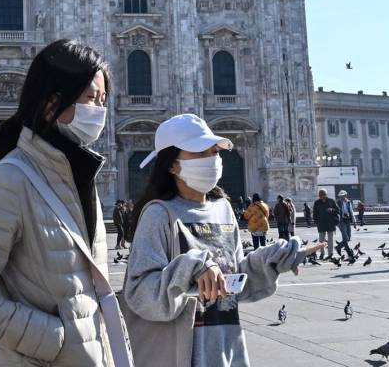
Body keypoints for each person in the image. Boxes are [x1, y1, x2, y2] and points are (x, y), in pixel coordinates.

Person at [0, 39, 125, 366]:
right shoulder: (10, 180)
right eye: (89, 98)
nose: (99, 111)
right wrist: (54, 340)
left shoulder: (80, 177)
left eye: (103, 100)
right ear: (50, 104)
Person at [122, 114, 326, 367]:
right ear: (172, 164)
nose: (212, 160)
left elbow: (232, 280)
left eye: (214, 151)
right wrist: (193, 266)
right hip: (181, 353)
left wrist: (272, 259)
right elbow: (140, 294)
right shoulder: (158, 214)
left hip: (225, 345)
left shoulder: (223, 208)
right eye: (200, 153)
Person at [312, 189, 339, 259]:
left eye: (323, 195)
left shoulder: (331, 201)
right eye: (320, 195)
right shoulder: (317, 203)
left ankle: (330, 254)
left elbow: (338, 210)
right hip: (321, 224)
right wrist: (316, 221)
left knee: (330, 240)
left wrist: (332, 209)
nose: (321, 196)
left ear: (326, 194)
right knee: (321, 240)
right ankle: (322, 253)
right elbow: (314, 213)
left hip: (330, 223)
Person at [335, 191, 355, 257]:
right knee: (345, 238)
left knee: (348, 237)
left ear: (346, 195)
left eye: (343, 196)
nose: (342, 197)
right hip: (341, 221)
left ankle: (338, 247)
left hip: (348, 220)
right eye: (341, 196)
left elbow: (351, 211)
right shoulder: (337, 203)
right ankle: (349, 252)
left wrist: (354, 222)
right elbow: (336, 212)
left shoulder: (348, 202)